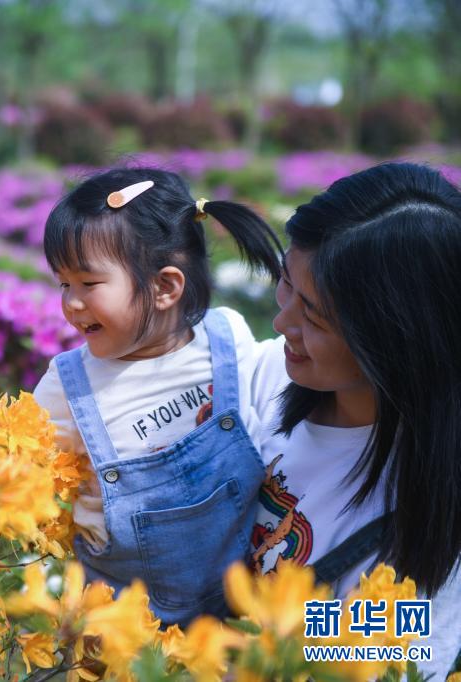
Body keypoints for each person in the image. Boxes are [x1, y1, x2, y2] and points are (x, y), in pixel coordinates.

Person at [32, 166, 283, 626]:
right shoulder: (68, 386)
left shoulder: (226, 339)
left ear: (165, 287)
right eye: (63, 284)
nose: (71, 302)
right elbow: (23, 469)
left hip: (237, 621)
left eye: (88, 284)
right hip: (123, 634)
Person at [249, 162, 461, 679]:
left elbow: (378, 657)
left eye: (314, 316)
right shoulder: (264, 377)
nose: (282, 324)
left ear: (394, 342)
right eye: (285, 284)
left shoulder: (427, 508)